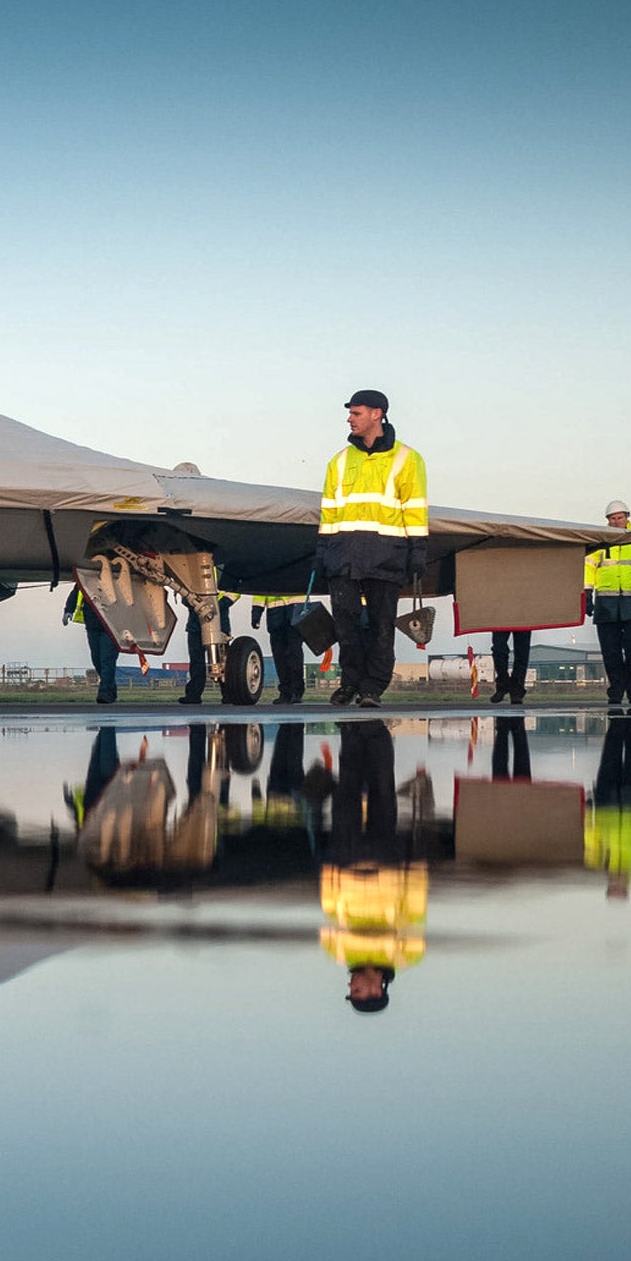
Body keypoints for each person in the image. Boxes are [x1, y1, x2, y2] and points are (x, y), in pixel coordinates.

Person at [316, 389, 428, 709]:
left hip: (386, 555)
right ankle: (350, 683)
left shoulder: (408, 459)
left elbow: (415, 508)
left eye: (356, 413)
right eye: (350, 413)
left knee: (381, 625)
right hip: (344, 556)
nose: (349, 419)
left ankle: (373, 687)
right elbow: (330, 512)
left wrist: (417, 551)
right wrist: (322, 552)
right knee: (346, 625)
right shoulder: (338, 462)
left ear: (377, 414)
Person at [320, 719, 427, 1011]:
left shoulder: (338, 952)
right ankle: (377, 731)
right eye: (357, 992)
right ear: (377, 989)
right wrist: (416, 867)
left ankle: (352, 730)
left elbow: (331, 909)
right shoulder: (406, 955)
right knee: (381, 788)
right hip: (387, 864)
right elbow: (414, 910)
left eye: (350, 991)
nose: (350, 987)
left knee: (347, 790)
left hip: (346, 859)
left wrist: (329, 871)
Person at [585, 500, 631, 706]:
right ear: (608, 520)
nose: (616, 522)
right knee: (610, 651)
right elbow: (588, 565)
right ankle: (616, 691)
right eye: (613, 519)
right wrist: (587, 592)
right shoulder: (600, 541)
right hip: (606, 602)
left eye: (619, 518)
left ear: (627, 518)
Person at [585, 714, 631, 901]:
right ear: (627, 885)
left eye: (613, 886)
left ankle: (616, 721)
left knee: (610, 755)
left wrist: (588, 811)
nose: (616, 881)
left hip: (606, 804)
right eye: (619, 886)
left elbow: (590, 837)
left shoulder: (598, 862)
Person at [64, 581, 119, 703]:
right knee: (97, 660)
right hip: (92, 627)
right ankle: (111, 689)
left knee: (107, 660)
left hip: (111, 628)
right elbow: (75, 594)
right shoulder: (85, 579)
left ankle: (105, 693)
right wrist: (68, 610)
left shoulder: (114, 581)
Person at [249, 595, 309, 704]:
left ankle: (295, 691)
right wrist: (256, 614)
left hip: (292, 610)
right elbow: (260, 593)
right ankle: (287, 692)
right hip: (280, 613)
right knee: (280, 656)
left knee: (293, 653)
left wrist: (256, 614)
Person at [180, 588, 235, 705]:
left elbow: (234, 591)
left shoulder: (222, 572)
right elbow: (183, 596)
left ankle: (228, 694)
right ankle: (193, 695)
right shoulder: (191, 575)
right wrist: (192, 602)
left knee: (223, 662)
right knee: (196, 662)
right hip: (196, 626)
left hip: (219, 624)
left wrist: (220, 605)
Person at [488, 630, 531, 706]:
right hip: (500, 619)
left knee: (522, 652)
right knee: (498, 649)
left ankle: (516, 689)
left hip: (524, 620)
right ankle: (504, 683)